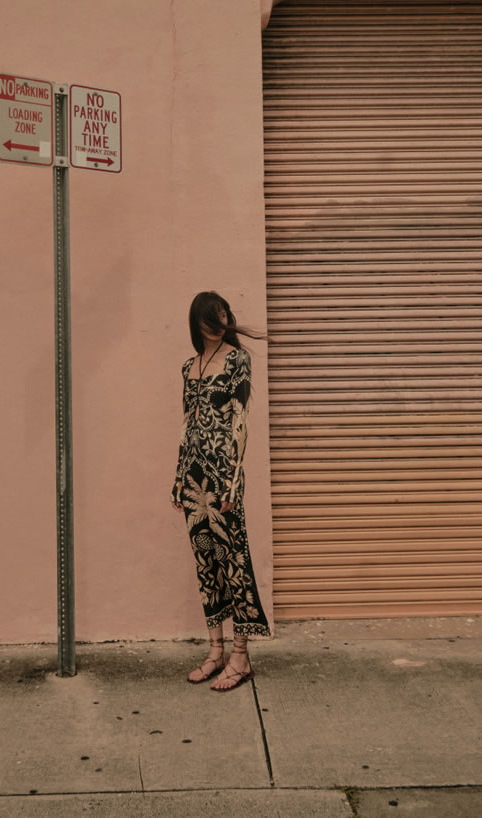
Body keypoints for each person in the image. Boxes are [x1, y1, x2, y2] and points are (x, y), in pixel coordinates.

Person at [171, 291, 270, 691]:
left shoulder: (237, 360)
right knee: (206, 564)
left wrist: (232, 479)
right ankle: (215, 651)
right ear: (196, 323)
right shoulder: (189, 366)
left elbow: (240, 421)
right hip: (193, 480)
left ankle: (240, 656)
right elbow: (187, 423)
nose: (217, 323)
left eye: (222, 314)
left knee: (234, 561)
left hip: (222, 476)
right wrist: (179, 476)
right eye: (209, 317)